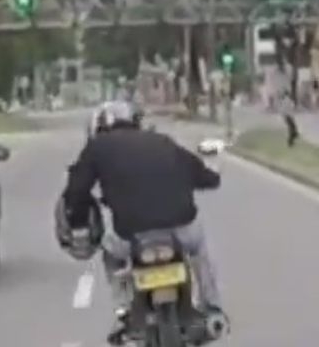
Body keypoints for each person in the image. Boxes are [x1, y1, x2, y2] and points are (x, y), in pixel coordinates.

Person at [60, 100, 226, 342]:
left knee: (111, 253)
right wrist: (211, 171)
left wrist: (77, 225)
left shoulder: (97, 148)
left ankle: (123, 309)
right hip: (182, 230)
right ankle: (213, 308)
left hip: (130, 236)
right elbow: (205, 178)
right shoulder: (163, 142)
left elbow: (76, 191)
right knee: (200, 250)